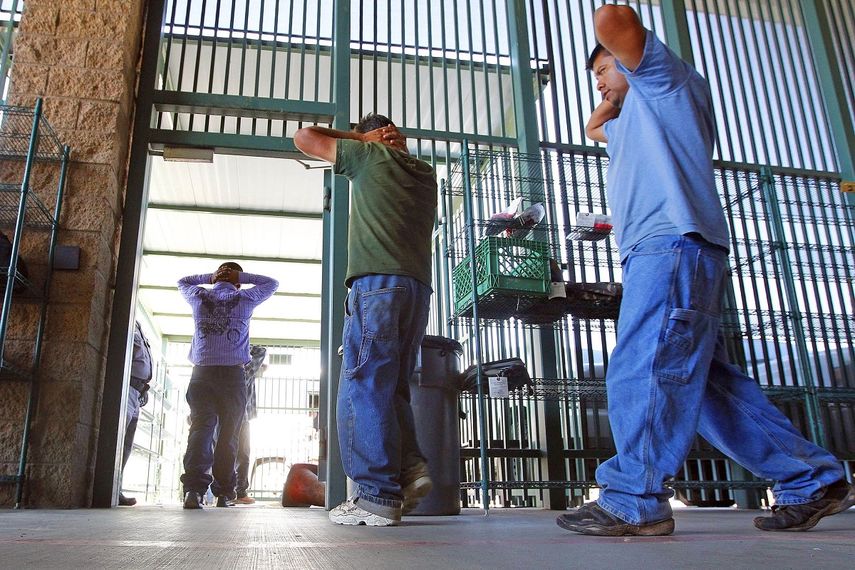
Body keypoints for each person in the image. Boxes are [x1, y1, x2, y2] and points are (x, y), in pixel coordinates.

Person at [556, 5, 854, 537]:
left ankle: (634, 499)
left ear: (632, 60)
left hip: (672, 244)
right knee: (711, 391)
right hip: (666, 251)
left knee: (645, 365)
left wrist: (623, 66)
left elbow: (612, 19)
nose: (597, 81)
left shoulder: (665, 83)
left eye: (602, 68)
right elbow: (593, 128)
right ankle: (810, 478)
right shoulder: (631, 121)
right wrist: (610, 95)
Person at [294, 114, 437, 526]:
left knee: (364, 384)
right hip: (417, 290)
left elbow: (304, 137)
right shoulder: (425, 173)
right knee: (393, 387)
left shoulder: (369, 155)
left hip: (377, 285)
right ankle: (409, 470)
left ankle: (375, 496)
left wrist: (361, 139)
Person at [178, 262, 278, 509]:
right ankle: (223, 494)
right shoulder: (245, 298)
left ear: (215, 279)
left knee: (201, 429)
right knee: (229, 434)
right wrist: (240, 275)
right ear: (238, 282)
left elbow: (183, 281)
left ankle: (193, 491)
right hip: (233, 377)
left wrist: (209, 276)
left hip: (202, 373)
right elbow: (272, 283)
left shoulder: (199, 296)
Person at [118, 320, 153, 506]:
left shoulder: (138, 326)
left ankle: (116, 487)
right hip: (126, 387)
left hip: (137, 391)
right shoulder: (128, 322)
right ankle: (113, 488)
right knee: (118, 441)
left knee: (126, 445)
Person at [233, 345, 267, 505]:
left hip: (229, 416)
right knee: (243, 454)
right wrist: (243, 346)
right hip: (241, 417)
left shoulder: (230, 366)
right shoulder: (245, 370)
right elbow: (261, 351)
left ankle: (226, 492)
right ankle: (239, 492)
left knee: (227, 452)